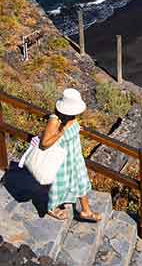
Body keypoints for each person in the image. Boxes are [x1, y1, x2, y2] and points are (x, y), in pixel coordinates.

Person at [41, 88, 101, 222]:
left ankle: (86, 211)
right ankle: (52, 207)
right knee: (59, 185)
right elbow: (44, 143)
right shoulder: (55, 121)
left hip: (75, 156)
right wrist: (63, 131)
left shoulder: (71, 117)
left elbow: (72, 127)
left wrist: (76, 128)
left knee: (81, 181)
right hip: (61, 160)